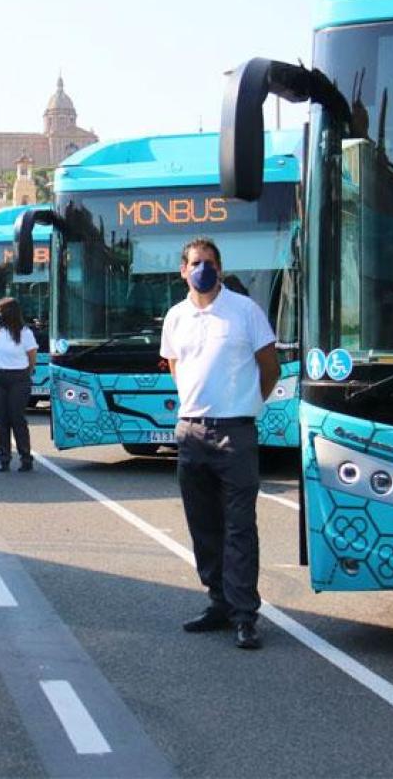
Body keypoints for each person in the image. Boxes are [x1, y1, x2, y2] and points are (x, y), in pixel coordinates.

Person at [159, 237, 278, 651]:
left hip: (235, 434)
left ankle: (245, 615)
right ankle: (219, 602)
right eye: (195, 262)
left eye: (209, 262)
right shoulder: (176, 317)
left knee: (239, 527)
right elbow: (176, 366)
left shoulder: (245, 311)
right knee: (203, 525)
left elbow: (270, 367)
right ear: (183, 270)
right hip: (191, 432)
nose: (202, 269)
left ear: (220, 268)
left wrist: (246, 405)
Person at [0, 297, 38, 472]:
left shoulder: (25, 333)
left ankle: (26, 458)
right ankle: (4, 458)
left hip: (18, 378)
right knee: (1, 420)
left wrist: (25, 373)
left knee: (17, 418)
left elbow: (32, 358)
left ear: (9, 313)